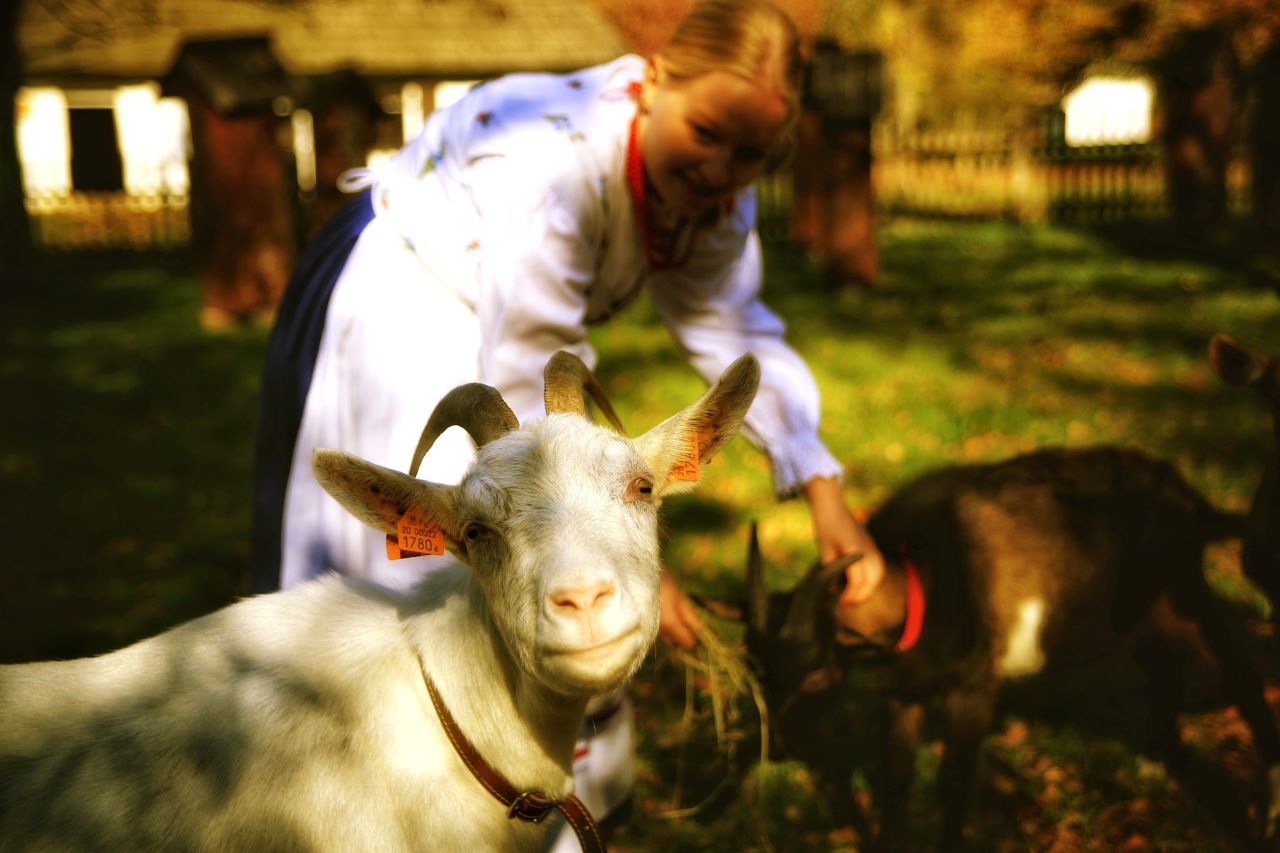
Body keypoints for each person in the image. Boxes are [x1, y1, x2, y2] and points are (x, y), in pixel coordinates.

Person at [249, 0, 886, 844]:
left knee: (569, 606)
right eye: (706, 134)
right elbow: (530, 351)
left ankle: (551, 816)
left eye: (752, 155)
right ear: (654, 81)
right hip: (408, 302)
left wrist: (825, 491)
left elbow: (734, 328)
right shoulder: (551, 160)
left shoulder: (715, 197)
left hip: (502, 322)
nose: (722, 169)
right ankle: (368, 804)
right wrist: (622, 552)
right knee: (423, 577)